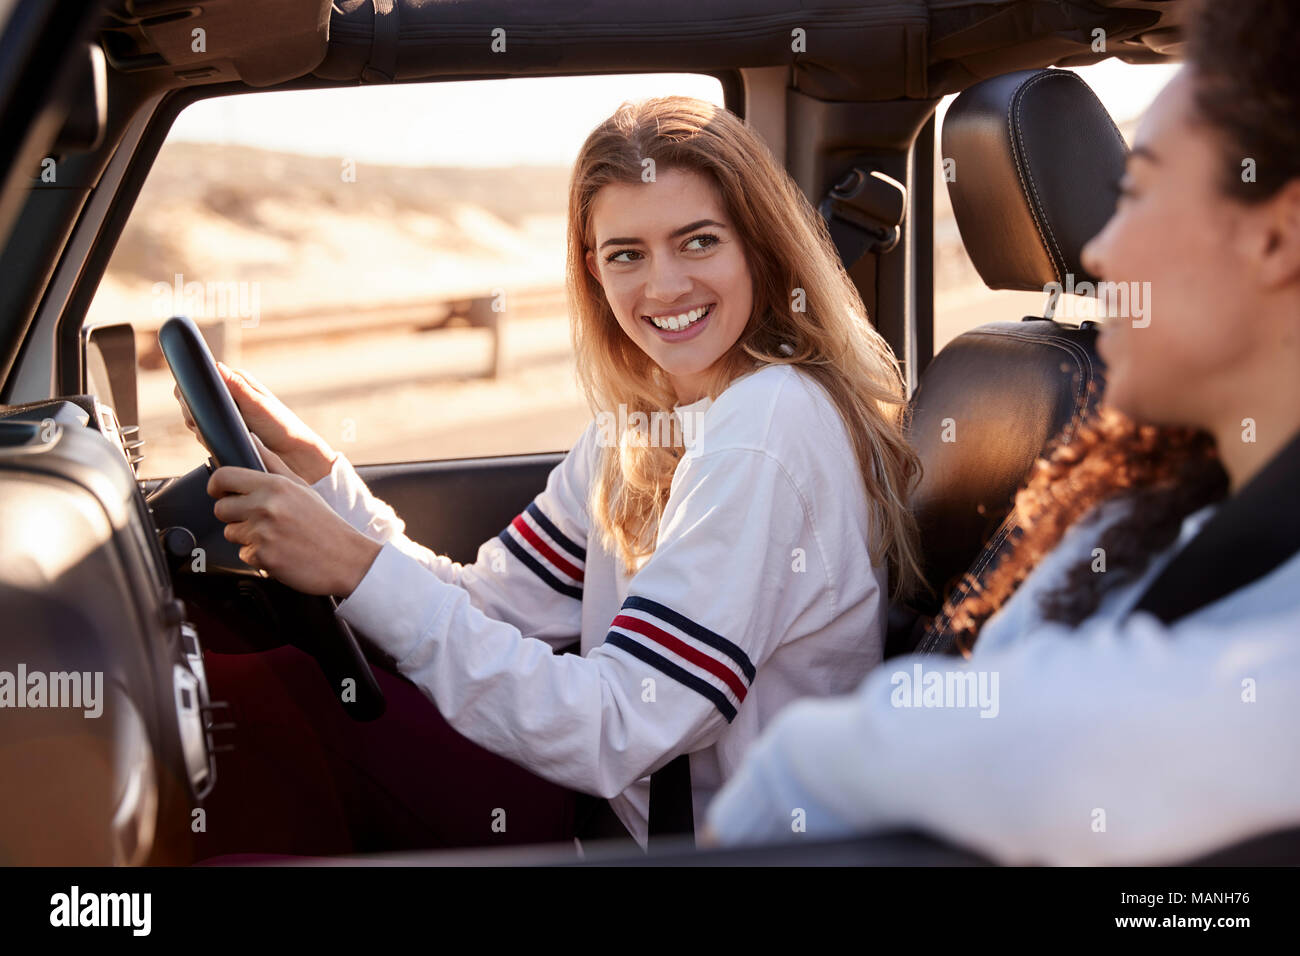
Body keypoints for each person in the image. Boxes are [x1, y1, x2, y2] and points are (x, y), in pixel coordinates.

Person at [184, 96, 923, 848]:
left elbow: (616, 724)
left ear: (760, 249)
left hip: (702, 845)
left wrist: (352, 565)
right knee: (257, 684)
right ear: (594, 274)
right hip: (612, 810)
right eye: (626, 254)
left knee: (256, 715)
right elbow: (488, 604)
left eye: (698, 242)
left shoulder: (769, 424)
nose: (663, 287)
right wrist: (323, 477)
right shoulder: (642, 425)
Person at [703, 0, 1300, 864]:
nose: (1101, 253)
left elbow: (1066, 743)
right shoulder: (1122, 515)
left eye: (1135, 192)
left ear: (1277, 237)